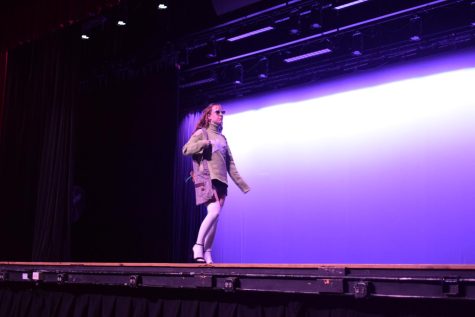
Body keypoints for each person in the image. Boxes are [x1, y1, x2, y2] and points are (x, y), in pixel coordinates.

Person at [182, 103, 250, 264]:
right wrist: (203, 144)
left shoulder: (223, 138)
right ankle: (198, 246)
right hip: (207, 178)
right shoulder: (202, 133)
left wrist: (243, 185)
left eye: (222, 112)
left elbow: (230, 164)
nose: (221, 114)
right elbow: (185, 149)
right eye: (217, 112)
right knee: (214, 212)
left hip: (222, 181)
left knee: (215, 218)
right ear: (209, 116)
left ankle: (207, 252)